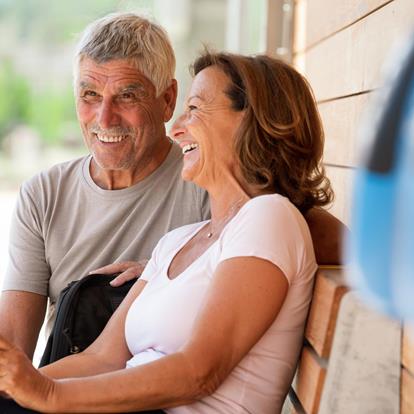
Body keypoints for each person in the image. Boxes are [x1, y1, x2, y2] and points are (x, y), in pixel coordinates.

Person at [0, 51, 333, 413]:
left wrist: (48, 396)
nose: (176, 128)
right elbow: (101, 358)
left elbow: (199, 373)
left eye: (195, 108)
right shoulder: (177, 242)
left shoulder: (269, 218)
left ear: (253, 121)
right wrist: (18, 388)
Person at [0, 12, 209, 361]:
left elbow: (292, 225)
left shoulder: (208, 183)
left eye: (127, 96)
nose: (104, 118)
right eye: (90, 94)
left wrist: (164, 268)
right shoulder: (44, 195)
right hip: (59, 394)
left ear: (168, 99)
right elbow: (12, 348)